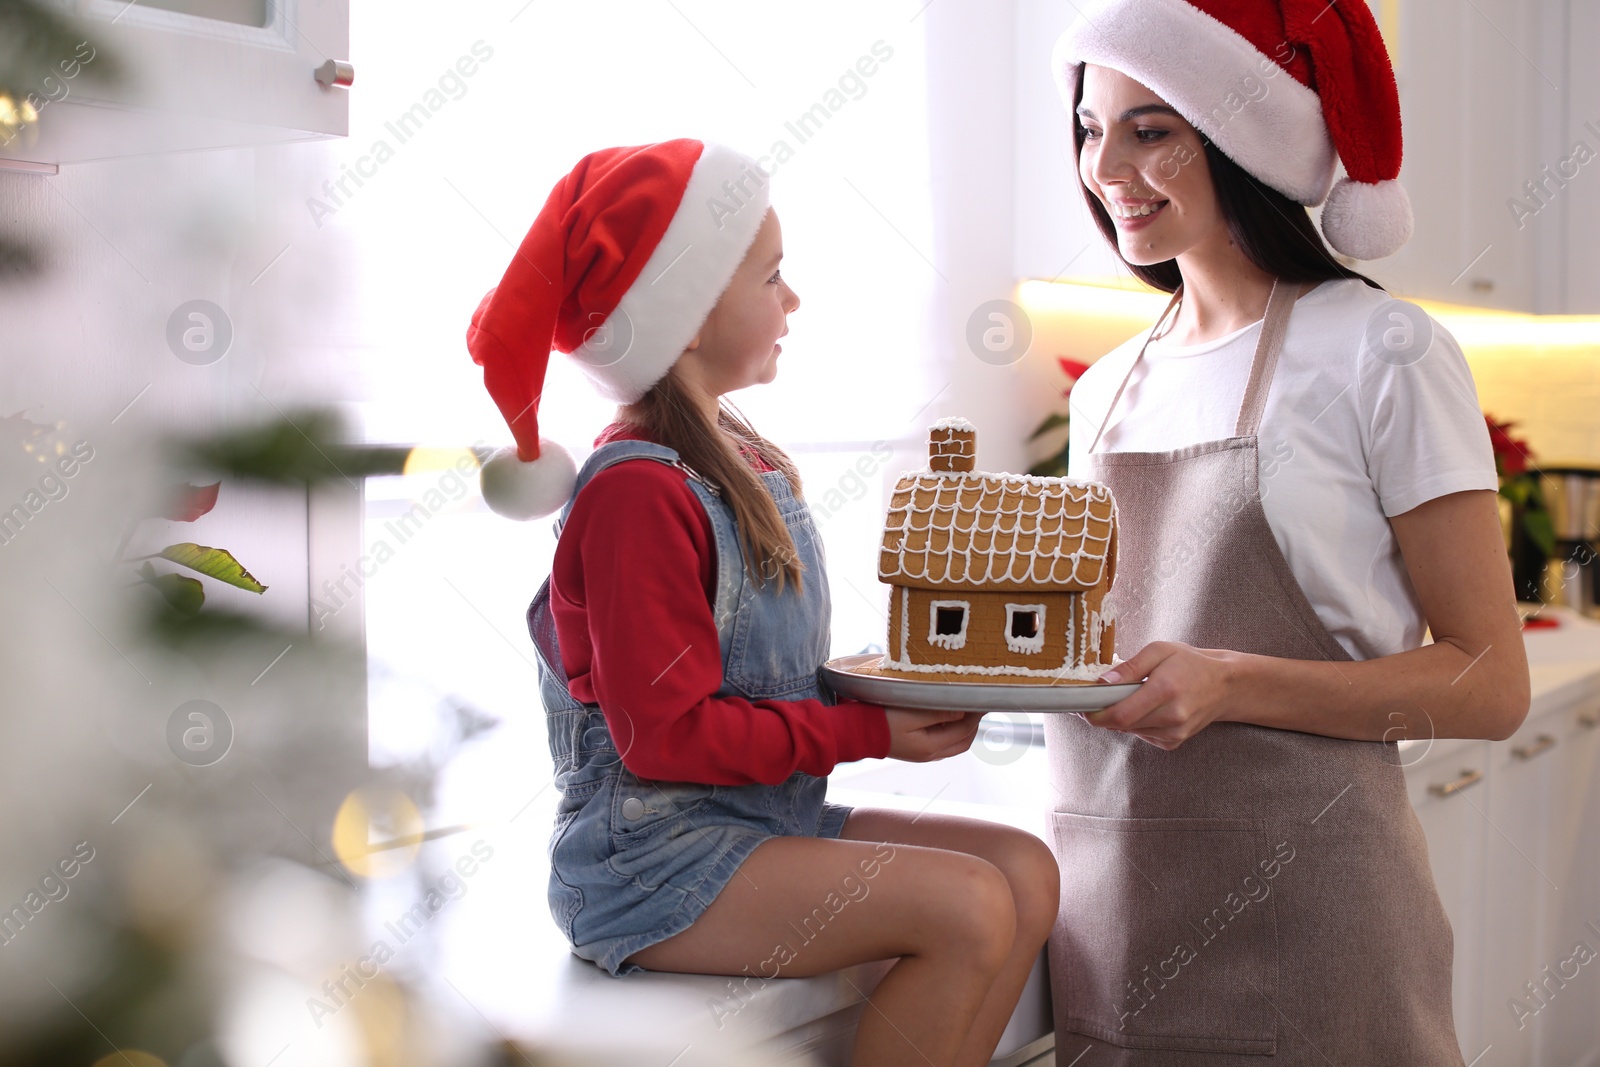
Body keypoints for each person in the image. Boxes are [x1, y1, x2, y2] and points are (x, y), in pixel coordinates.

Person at [465, 138, 1060, 1067]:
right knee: (971, 905)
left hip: (758, 821)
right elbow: (664, 737)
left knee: (1025, 868)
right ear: (688, 314)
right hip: (649, 863)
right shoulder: (638, 493)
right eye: (773, 277)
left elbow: (755, 674)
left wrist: (888, 693)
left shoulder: (738, 459)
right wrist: (867, 734)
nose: (794, 300)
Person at [1043, 2, 1531, 1064]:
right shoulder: (1108, 389)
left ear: (1242, 140)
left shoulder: (1383, 349)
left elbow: (1491, 685)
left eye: (1151, 128)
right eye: (1090, 127)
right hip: (1112, 907)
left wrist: (1228, 681)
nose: (1107, 168)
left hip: (1314, 905)